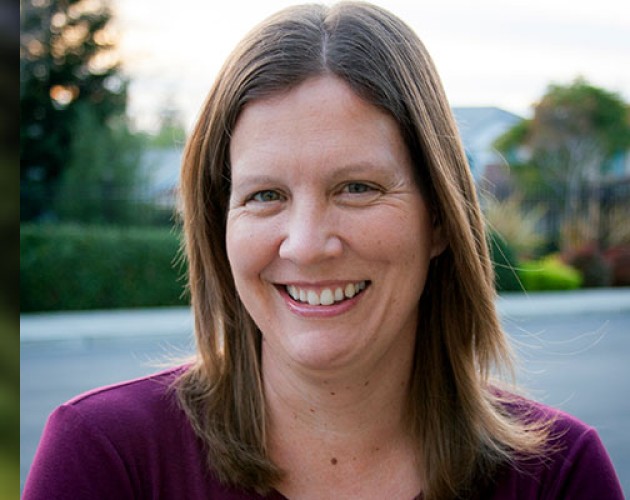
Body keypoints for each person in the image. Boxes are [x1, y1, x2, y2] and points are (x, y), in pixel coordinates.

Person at [23, 2, 623, 499]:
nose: (307, 244)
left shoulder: (558, 477)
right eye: (265, 195)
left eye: (357, 188)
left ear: (439, 218)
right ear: (220, 226)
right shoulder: (104, 463)